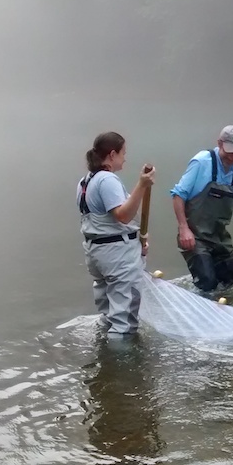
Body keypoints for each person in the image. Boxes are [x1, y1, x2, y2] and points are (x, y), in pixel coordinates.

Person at [77, 131, 156, 336]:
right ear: (112, 155)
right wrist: (142, 184)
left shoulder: (85, 181)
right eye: (123, 153)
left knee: (108, 315)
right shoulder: (107, 180)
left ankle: (104, 355)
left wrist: (139, 239)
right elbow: (123, 215)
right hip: (116, 256)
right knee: (124, 322)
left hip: (96, 253)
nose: (125, 158)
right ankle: (119, 364)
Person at [170, 125, 233, 292]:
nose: (232, 157)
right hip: (196, 237)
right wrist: (183, 229)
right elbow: (178, 195)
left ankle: (228, 315)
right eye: (230, 151)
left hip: (219, 236)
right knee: (207, 283)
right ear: (219, 143)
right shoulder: (202, 161)